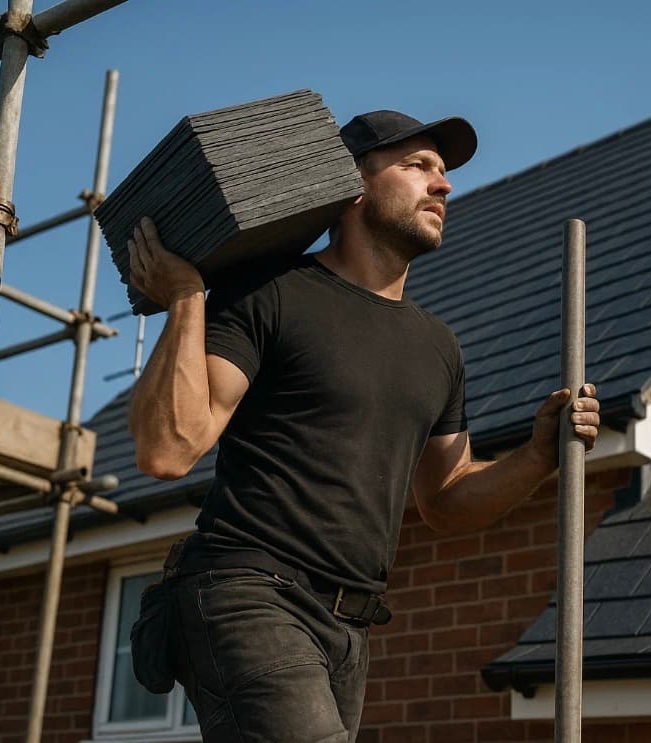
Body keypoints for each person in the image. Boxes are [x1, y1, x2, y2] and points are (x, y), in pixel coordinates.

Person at [126, 110, 601, 742]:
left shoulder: (438, 347)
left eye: (443, 171)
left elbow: (446, 500)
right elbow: (168, 449)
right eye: (416, 166)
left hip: (350, 627)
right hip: (250, 593)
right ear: (352, 184)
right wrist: (187, 297)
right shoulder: (270, 292)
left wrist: (539, 456)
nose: (443, 185)